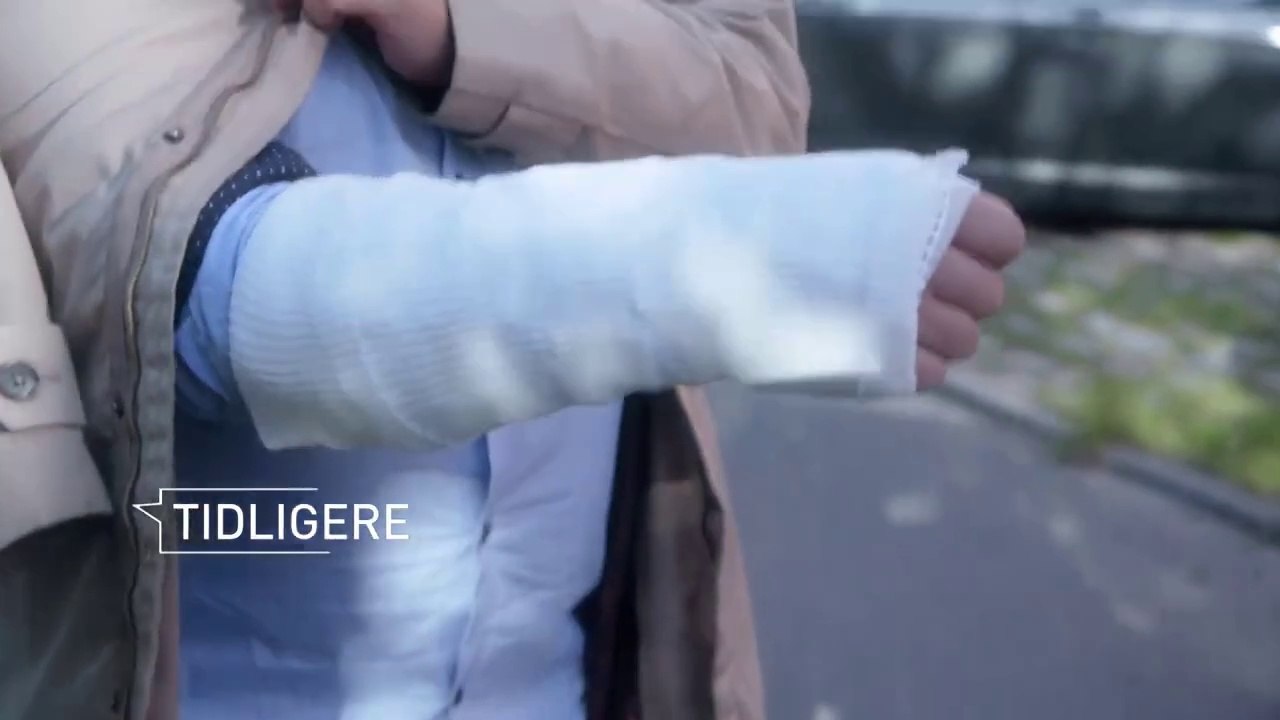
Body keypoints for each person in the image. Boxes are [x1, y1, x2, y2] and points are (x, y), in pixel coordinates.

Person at [0, 2, 1025, 719]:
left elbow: (757, 103)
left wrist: (469, 29)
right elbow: (217, 293)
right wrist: (790, 260)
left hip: (572, 677)